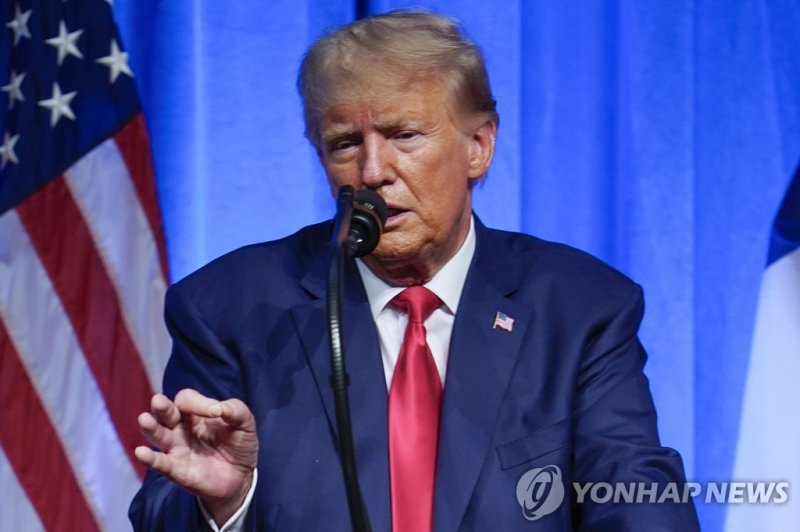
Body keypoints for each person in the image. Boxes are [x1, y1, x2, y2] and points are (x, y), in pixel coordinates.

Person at [129, 10, 700, 531]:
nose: (373, 171)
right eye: (345, 143)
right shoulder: (233, 307)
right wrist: (226, 503)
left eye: (404, 135)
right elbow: (161, 513)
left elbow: (636, 496)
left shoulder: (579, 308)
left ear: (478, 146)